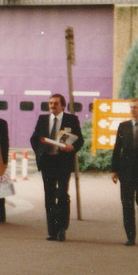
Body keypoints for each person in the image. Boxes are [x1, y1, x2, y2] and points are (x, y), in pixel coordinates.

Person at [30, 94, 84, 242]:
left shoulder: (70, 120)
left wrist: (72, 147)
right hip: (47, 162)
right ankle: (52, 231)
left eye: (55, 103)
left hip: (63, 162)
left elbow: (80, 139)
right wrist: (40, 152)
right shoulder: (43, 119)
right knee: (49, 196)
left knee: (62, 194)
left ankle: (62, 228)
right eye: (50, 103)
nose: (52, 105)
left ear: (62, 106)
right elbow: (34, 139)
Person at [110, 98, 138, 246]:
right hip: (126, 172)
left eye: (135, 108)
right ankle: (130, 236)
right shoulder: (123, 127)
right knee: (127, 203)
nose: (132, 110)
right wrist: (114, 170)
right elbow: (117, 148)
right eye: (131, 107)